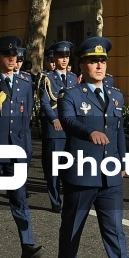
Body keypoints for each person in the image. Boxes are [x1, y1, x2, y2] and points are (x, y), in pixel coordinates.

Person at [57, 37, 129, 258]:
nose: (99, 65)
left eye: (103, 61)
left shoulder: (116, 95)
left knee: (115, 231)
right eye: (93, 61)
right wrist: (90, 131)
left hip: (110, 176)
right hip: (83, 172)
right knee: (73, 228)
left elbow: (118, 132)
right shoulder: (71, 95)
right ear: (82, 65)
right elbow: (67, 120)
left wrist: (123, 161)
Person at [0, 35, 42, 258]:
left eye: (15, 55)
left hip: (16, 149)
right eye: (7, 55)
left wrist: (27, 149)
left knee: (19, 199)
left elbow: (27, 119)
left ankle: (27, 244)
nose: (12, 59)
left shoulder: (25, 82)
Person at [38, 41, 77, 212]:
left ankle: (69, 196)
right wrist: (54, 119)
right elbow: (45, 102)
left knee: (69, 166)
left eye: (67, 57)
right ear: (54, 58)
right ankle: (55, 200)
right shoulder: (47, 78)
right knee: (53, 168)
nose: (64, 60)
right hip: (55, 128)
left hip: (71, 128)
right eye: (61, 57)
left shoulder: (74, 78)